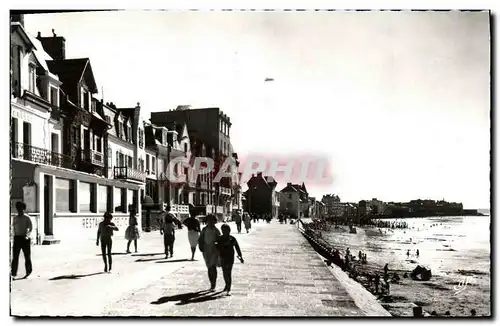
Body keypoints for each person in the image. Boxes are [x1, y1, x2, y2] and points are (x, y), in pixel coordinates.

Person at [216, 224, 244, 296]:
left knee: (228, 273)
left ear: (229, 231)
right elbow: (216, 247)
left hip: (230, 258)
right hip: (222, 257)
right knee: (224, 273)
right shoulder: (219, 238)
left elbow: (237, 248)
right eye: (223, 230)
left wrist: (240, 256)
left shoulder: (232, 239)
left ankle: (228, 288)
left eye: (226, 230)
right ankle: (227, 284)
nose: (224, 232)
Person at [198, 214, 221, 291]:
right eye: (209, 220)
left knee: (213, 266)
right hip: (206, 250)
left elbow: (220, 240)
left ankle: (214, 283)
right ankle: (211, 282)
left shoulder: (216, 230)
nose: (210, 222)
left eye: (212, 220)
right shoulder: (204, 229)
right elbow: (200, 238)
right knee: (209, 267)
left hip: (214, 250)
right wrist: (200, 246)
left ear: (214, 221)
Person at [11, 201, 33, 279]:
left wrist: (27, 235)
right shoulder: (15, 218)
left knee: (27, 256)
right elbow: (13, 227)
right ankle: (13, 273)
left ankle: (28, 271)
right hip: (17, 238)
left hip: (24, 238)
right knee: (15, 256)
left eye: (21, 209)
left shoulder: (27, 218)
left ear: (24, 209)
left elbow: (30, 228)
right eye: (18, 209)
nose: (20, 210)